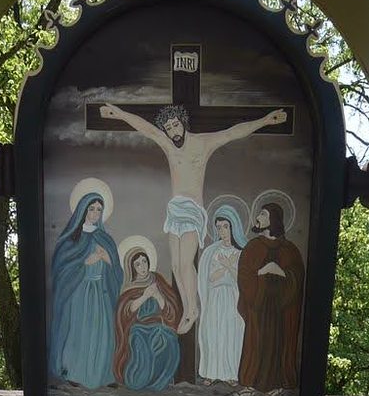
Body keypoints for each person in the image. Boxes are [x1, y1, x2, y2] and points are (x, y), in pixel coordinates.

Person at [96, 102, 287, 335]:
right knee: (176, 265)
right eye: (168, 128)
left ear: (183, 123)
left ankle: (192, 309)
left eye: (175, 125)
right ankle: (189, 307)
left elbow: (232, 133)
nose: (173, 131)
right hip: (174, 210)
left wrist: (265, 120)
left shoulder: (203, 143)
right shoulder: (168, 145)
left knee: (186, 263)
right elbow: (145, 128)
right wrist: (118, 114)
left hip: (193, 210)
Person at [49, 192, 123, 388]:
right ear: (83, 210)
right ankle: (74, 373)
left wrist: (107, 259)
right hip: (79, 291)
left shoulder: (105, 239)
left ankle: (103, 376)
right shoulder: (72, 239)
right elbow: (61, 269)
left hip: (101, 292)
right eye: (92, 209)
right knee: (79, 332)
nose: (95, 213)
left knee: (102, 334)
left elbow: (117, 271)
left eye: (99, 210)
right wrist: (84, 263)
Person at [236, 202, 304, 393]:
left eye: (263, 214)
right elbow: (244, 276)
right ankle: (250, 384)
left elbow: (297, 278)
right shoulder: (252, 247)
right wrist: (262, 271)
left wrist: (279, 271)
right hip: (258, 307)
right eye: (259, 214)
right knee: (256, 343)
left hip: (280, 310)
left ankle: (277, 386)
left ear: (274, 219)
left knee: (278, 345)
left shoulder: (290, 249)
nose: (258, 217)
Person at [113, 250, 184, 393]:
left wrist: (158, 296)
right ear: (132, 268)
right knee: (140, 341)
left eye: (144, 261)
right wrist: (145, 296)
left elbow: (170, 311)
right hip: (138, 327)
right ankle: (138, 380)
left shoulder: (158, 280)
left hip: (158, 325)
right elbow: (126, 311)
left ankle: (158, 381)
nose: (142, 267)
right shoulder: (130, 286)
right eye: (138, 264)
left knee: (169, 337)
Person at [195, 207, 247, 384]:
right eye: (219, 227)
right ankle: (212, 372)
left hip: (234, 298)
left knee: (232, 334)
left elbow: (241, 279)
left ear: (233, 227)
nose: (222, 231)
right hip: (216, 297)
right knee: (214, 333)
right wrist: (227, 267)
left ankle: (232, 374)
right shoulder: (212, 251)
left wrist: (227, 266)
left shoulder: (242, 252)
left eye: (225, 226)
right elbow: (210, 277)